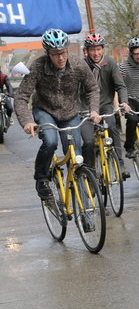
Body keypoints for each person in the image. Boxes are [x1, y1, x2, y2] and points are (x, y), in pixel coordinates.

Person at [14, 28, 100, 199]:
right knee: (51, 142)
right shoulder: (37, 67)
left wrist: (94, 109)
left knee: (75, 156)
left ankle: (83, 207)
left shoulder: (78, 65)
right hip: (45, 110)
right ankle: (42, 179)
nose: (61, 58)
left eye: (63, 52)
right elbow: (21, 97)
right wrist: (27, 122)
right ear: (47, 53)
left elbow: (92, 88)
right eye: (55, 54)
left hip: (70, 113)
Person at [80, 33, 131, 180]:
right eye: (92, 50)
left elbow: (120, 86)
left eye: (98, 49)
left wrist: (124, 102)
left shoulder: (110, 63)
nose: (96, 53)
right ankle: (90, 173)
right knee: (88, 141)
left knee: (112, 127)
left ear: (103, 49)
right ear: (87, 51)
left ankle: (120, 164)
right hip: (86, 107)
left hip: (105, 105)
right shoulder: (82, 66)